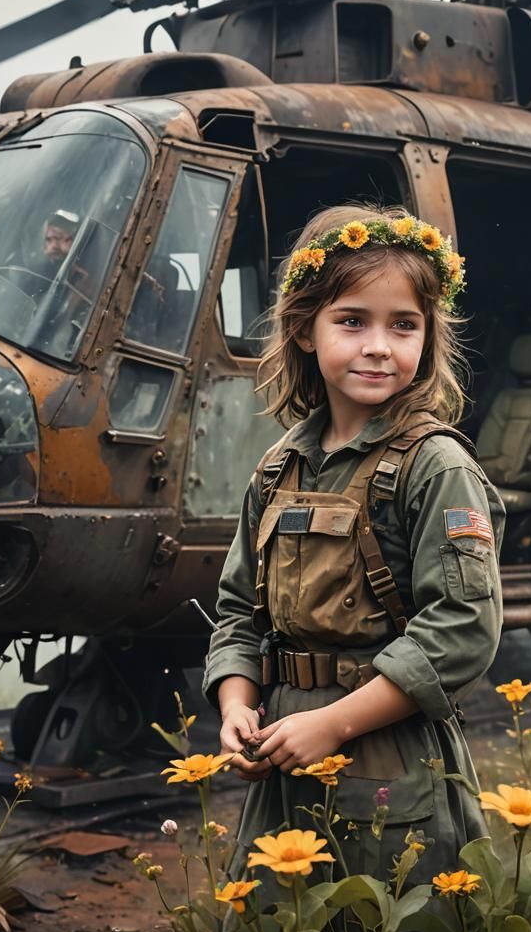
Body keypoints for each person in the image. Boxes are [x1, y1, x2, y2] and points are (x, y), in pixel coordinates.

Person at [201, 204, 505, 889]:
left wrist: (335, 725)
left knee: (391, 929)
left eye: (403, 325)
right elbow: (238, 610)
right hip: (284, 751)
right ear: (304, 330)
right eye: (352, 321)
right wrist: (237, 706)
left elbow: (462, 629)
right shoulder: (279, 468)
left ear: (428, 335)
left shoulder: (435, 466)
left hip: (389, 762)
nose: (379, 346)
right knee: (284, 931)